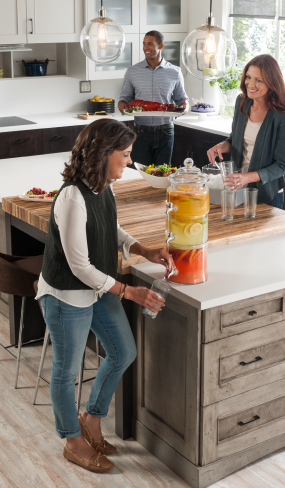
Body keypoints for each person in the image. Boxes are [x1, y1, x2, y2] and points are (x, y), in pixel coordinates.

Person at [37, 118, 171, 474]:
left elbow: (110, 226)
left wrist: (142, 248)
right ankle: (72, 440)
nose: (130, 160)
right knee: (66, 372)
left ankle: (92, 418)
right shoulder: (71, 197)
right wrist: (129, 291)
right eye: (125, 154)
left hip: (97, 289)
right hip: (66, 295)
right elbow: (79, 266)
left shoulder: (102, 186)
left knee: (123, 352)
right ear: (103, 153)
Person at [206, 54, 285, 208]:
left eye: (258, 80)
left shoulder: (283, 118)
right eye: (248, 77)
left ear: (271, 82)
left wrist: (247, 177)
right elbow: (234, 139)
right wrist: (221, 146)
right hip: (238, 189)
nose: (250, 84)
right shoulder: (242, 102)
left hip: (267, 195)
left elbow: (281, 167)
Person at [117, 30, 186, 166]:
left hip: (166, 131)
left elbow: (181, 99)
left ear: (161, 46)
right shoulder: (132, 71)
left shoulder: (175, 72)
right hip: (140, 132)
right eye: (144, 44)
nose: (145, 47)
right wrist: (122, 103)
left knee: (162, 173)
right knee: (140, 173)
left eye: (150, 44)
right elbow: (125, 97)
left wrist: (185, 106)